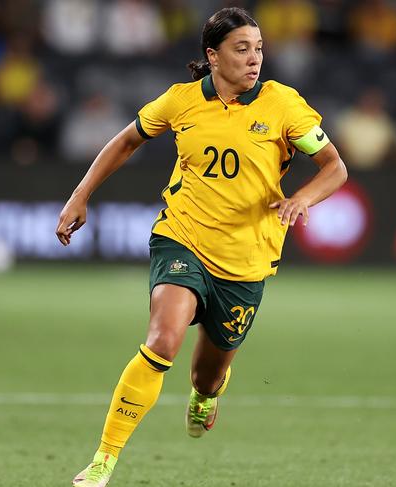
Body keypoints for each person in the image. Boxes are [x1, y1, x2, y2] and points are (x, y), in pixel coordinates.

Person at [55, 7, 347, 487]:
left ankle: (206, 396)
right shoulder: (182, 101)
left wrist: (300, 199)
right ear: (213, 56)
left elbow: (335, 167)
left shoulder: (283, 104)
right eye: (241, 49)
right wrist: (79, 194)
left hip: (247, 260)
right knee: (162, 341)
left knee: (205, 377)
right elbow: (126, 141)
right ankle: (102, 463)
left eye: (258, 49)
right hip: (183, 238)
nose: (254, 59)